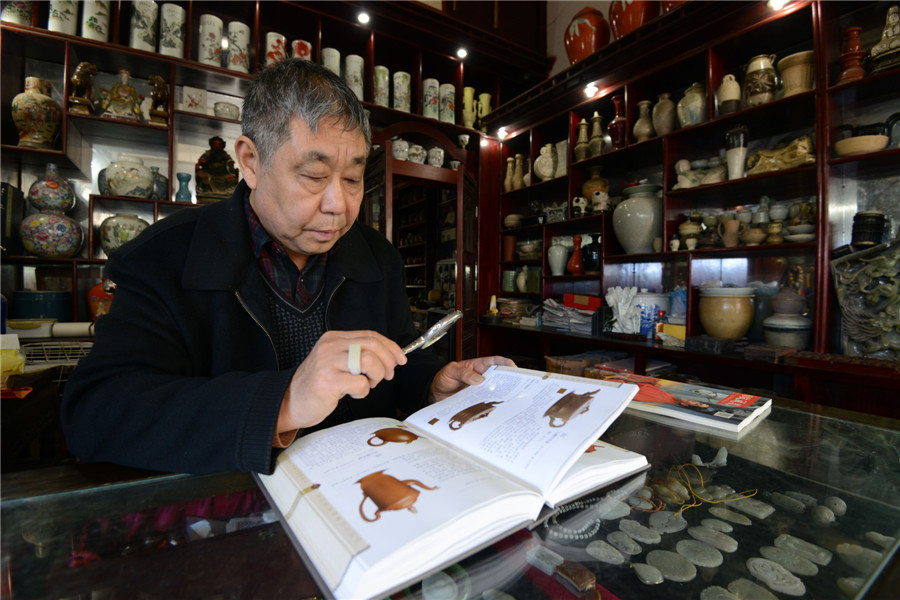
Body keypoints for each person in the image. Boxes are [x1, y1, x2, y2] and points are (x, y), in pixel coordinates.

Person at [61, 58, 512, 475]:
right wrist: (284, 401)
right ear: (250, 161)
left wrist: (431, 383)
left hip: (360, 499)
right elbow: (96, 413)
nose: (339, 205)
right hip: (227, 515)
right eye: (314, 177)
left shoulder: (376, 256)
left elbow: (394, 361)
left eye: (353, 179)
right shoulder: (164, 257)